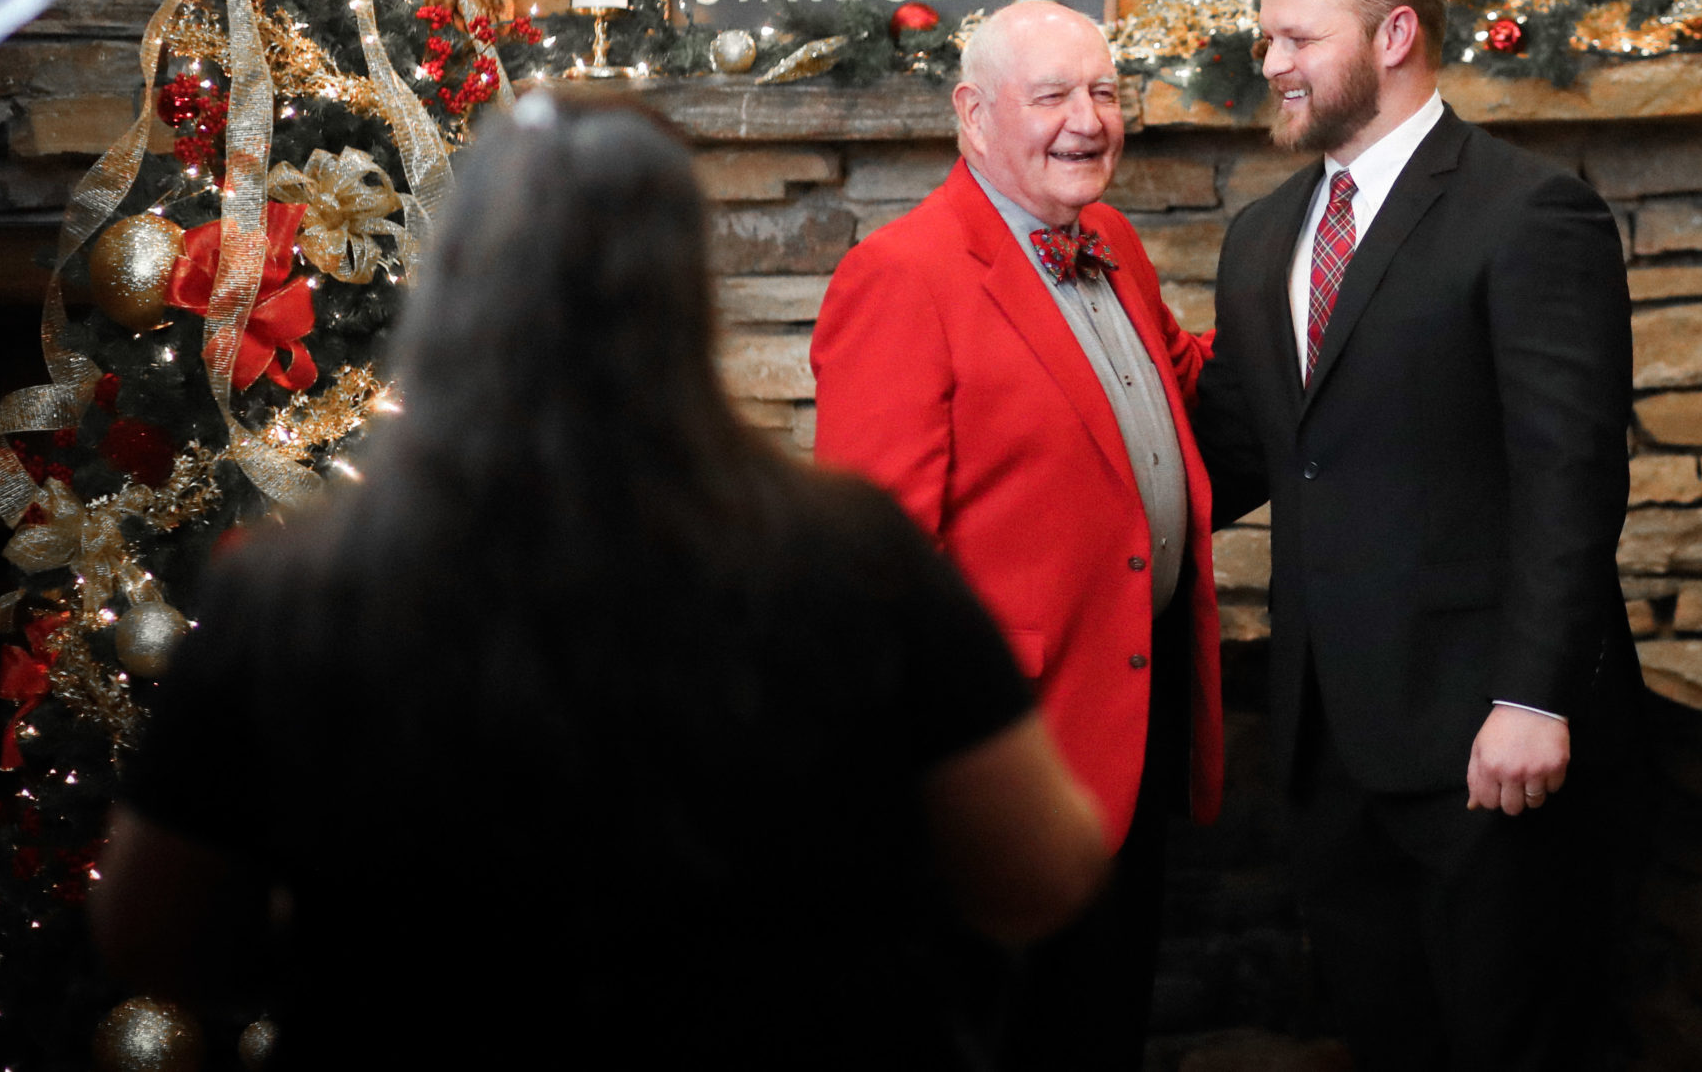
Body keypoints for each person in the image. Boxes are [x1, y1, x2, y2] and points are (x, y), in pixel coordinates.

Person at [91, 96, 1108, 1070]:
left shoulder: (292, 592)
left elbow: (151, 932)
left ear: (453, 284)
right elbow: (1040, 869)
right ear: (685, 293)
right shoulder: (851, 556)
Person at [1193, 0, 1644, 1071]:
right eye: (1266, 36)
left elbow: (1570, 477)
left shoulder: (1527, 212)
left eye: (1297, 37)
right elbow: (1236, 454)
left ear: (1395, 34)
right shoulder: (1260, 238)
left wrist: (1534, 700)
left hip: (1487, 741)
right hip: (1323, 744)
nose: (1272, 62)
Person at [810, 0, 1225, 1071]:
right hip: (1002, 756)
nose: (1086, 120)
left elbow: (1178, 385)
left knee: (1099, 1030)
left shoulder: (1113, 240)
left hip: (1132, 720)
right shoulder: (902, 275)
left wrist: (1332, 305)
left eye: (1103, 91)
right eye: (1051, 96)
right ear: (972, 111)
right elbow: (873, 561)